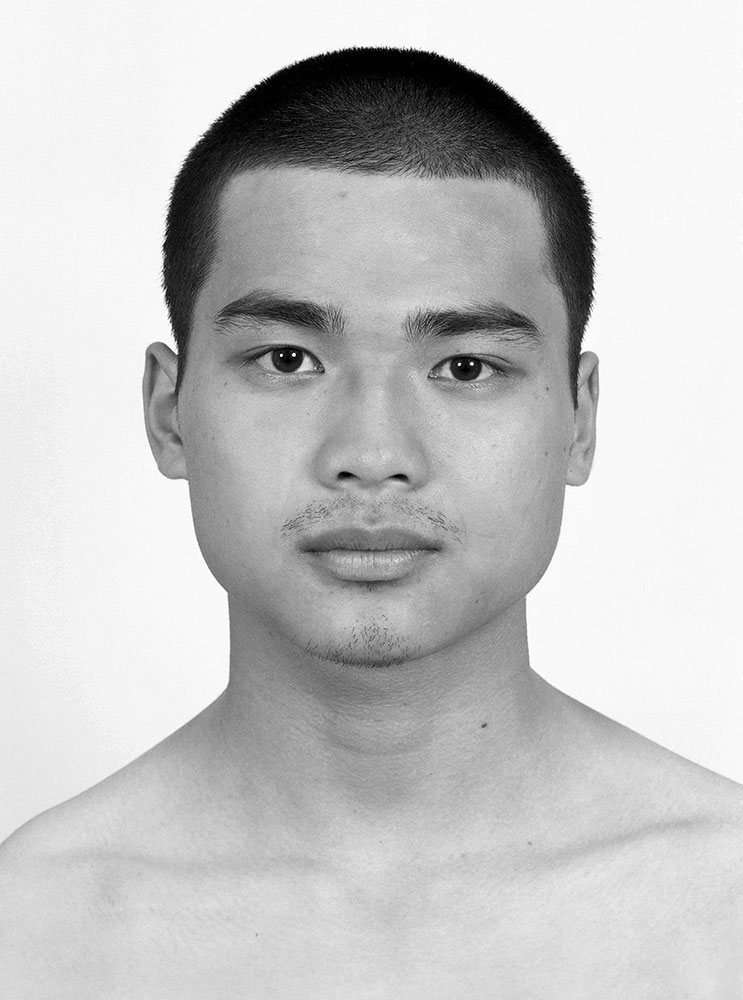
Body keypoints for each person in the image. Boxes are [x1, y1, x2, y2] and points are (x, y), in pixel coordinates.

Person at [1, 46, 741, 997]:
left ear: (579, 420)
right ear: (167, 411)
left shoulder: (723, 906)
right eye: (286, 359)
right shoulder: (31, 931)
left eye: (465, 367)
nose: (372, 451)